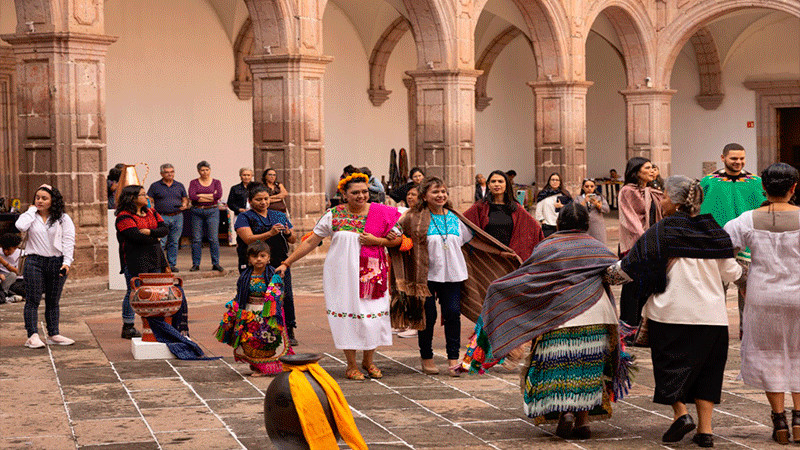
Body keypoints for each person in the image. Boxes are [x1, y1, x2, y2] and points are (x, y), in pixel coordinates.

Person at [477, 203, 631, 440]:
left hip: (556, 317)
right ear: (587, 225)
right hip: (595, 315)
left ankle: (565, 413)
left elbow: (531, 278)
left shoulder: (547, 247)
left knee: (559, 366)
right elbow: (613, 276)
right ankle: (583, 422)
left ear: (559, 223)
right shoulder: (597, 247)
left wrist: (500, 290)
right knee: (587, 368)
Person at [612, 175, 741, 448]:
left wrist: (604, 275)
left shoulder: (662, 231)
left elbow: (630, 266)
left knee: (670, 369)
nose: (664, 201)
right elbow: (732, 271)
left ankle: (681, 415)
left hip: (670, 314)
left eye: (666, 197)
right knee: (708, 373)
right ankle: (705, 432)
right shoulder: (714, 231)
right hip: (711, 316)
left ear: (677, 201)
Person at [276, 172, 401, 380]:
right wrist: (287, 263)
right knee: (348, 316)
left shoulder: (382, 213)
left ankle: (368, 361)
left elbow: (398, 239)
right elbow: (310, 241)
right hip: (341, 275)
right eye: (355, 193)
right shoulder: (333, 214)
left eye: (364, 192)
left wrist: (380, 241)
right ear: (344, 194)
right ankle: (351, 364)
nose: (361, 196)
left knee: (372, 317)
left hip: (372, 273)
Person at [723, 163, 800, 445]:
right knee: (798, 353)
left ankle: (779, 418)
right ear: (794, 188)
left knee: (769, 354)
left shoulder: (746, 220)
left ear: (763, 189)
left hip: (762, 296)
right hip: (799, 297)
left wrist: (741, 280)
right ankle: (799, 417)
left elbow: (722, 249)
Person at [398, 177, 473, 376]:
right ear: (424, 196)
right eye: (435, 192)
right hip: (426, 276)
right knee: (427, 317)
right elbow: (396, 233)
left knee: (452, 314)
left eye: (443, 192)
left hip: (454, 275)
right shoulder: (413, 218)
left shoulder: (456, 218)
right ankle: (427, 357)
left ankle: (453, 359)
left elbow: (467, 242)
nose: (441, 196)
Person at [700, 143, 766, 338]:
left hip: (749, 246)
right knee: (716, 291)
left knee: (749, 292)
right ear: (723, 158)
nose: (738, 162)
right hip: (717, 246)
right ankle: (715, 331)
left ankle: (747, 332)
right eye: (733, 158)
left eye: (741, 159)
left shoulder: (756, 182)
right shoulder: (708, 182)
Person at [116, 185, 188, 338]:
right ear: (132, 198)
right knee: (134, 291)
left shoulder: (151, 212)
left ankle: (154, 323)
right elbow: (135, 236)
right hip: (135, 259)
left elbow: (164, 229)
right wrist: (155, 237)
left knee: (155, 290)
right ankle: (128, 325)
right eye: (142, 195)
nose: (147, 197)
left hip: (155, 257)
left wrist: (150, 232)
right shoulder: (124, 217)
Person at [235, 183, 298, 346]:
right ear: (250, 201)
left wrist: (288, 232)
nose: (263, 202)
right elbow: (247, 239)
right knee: (255, 295)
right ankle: (250, 327)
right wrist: (269, 233)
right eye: (258, 199)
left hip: (279, 261)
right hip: (254, 264)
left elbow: (293, 239)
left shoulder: (279, 215)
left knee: (285, 295)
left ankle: (288, 328)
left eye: (266, 199)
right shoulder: (245, 217)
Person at [15, 184, 75, 348]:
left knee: (53, 300)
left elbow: (68, 241)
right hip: (34, 261)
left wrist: (67, 262)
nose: (40, 201)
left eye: (44, 198)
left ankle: (53, 334)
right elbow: (20, 226)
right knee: (33, 300)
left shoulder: (63, 218)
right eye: (37, 197)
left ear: (52, 201)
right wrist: (31, 210)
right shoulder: (31, 217)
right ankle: (32, 335)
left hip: (56, 262)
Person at [226, 240, 293, 376]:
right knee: (251, 339)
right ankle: (257, 365)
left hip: (267, 313)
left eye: (262, 256)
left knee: (265, 340)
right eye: (255, 256)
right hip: (250, 311)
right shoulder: (245, 276)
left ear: (268, 258)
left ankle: (264, 367)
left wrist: (270, 310)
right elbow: (240, 294)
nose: (258, 259)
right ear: (249, 259)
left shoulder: (273, 275)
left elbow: (279, 295)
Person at [617, 156, 662, 326]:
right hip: (635, 246)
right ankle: (628, 326)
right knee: (632, 287)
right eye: (647, 168)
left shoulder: (651, 191)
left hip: (651, 245)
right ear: (636, 172)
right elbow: (631, 220)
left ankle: (641, 326)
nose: (652, 171)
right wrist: (645, 242)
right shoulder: (627, 191)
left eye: (652, 167)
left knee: (647, 286)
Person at [464, 170, 543, 261]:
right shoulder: (480, 207)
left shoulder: (516, 208)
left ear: (506, 186)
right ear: (488, 185)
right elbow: (462, 222)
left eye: (500, 181)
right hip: (486, 257)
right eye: (493, 181)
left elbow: (535, 229)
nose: (497, 184)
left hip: (509, 257)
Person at [147, 163, 189, 272]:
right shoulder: (155, 186)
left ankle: (171, 264)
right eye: (167, 172)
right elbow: (149, 199)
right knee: (160, 242)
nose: (170, 174)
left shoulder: (179, 185)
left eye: (172, 172)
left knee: (174, 242)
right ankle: (160, 264)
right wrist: (151, 210)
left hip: (177, 216)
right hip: (161, 217)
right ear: (161, 173)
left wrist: (185, 204)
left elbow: (185, 198)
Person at [188, 160, 224, 272]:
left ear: (210, 170)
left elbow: (218, 196)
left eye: (207, 170)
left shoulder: (216, 182)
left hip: (212, 211)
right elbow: (192, 196)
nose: (205, 172)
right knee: (196, 239)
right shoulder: (194, 182)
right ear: (198, 171)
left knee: (213, 238)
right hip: (197, 211)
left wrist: (201, 196)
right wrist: (210, 196)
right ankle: (196, 264)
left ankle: (216, 263)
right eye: (202, 170)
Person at [535, 172, 572, 237]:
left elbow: (571, 208)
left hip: (561, 226)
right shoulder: (543, 194)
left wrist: (561, 206)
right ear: (549, 181)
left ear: (560, 182)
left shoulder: (565, 194)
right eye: (552, 180)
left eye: (557, 180)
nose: (554, 182)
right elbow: (538, 209)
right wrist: (542, 220)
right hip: (547, 226)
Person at [575, 179, 610, 243]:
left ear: (595, 187)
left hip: (597, 227)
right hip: (583, 226)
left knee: (599, 245)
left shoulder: (600, 197)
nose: (589, 188)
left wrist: (597, 204)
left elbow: (607, 210)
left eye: (592, 186)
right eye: (587, 186)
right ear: (583, 187)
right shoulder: (578, 198)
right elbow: (576, 210)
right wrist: (584, 201)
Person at [0, 233, 25, 303]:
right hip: (3, 280)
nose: (5, 252)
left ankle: (7, 295)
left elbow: (19, 272)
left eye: (8, 249)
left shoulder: (21, 254)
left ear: (15, 247)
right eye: (3, 249)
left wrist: (3, 262)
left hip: (17, 280)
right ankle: (5, 295)